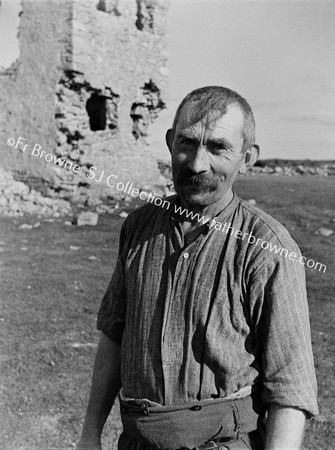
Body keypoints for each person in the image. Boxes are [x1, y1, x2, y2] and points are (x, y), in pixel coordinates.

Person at [77, 86, 318, 450]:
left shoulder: (270, 249)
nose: (196, 163)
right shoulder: (138, 228)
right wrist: (89, 434)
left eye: (218, 148)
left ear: (248, 157)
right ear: (171, 141)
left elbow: (290, 389)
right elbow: (114, 334)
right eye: (187, 142)